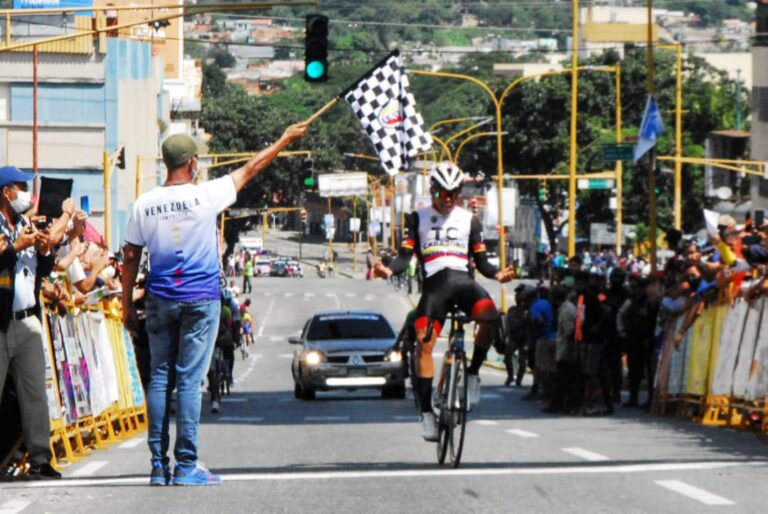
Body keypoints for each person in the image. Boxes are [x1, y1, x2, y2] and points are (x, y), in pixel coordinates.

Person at [121, 122, 306, 486]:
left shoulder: (145, 204)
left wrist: (127, 304)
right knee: (189, 381)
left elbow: (129, 256)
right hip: (201, 298)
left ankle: (158, 467)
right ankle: (186, 465)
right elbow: (253, 167)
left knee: (159, 378)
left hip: (160, 298)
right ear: (191, 163)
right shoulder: (206, 195)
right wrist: (283, 139)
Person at [373, 162, 515, 441]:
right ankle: (426, 413)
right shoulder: (418, 218)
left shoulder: (470, 220)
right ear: (432, 190)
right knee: (424, 346)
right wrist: (389, 269)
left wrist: (498, 274)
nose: (448, 199)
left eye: (454, 193)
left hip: (464, 282)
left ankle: (473, 373)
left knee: (490, 316)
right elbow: (405, 256)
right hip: (435, 286)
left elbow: (482, 262)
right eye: (443, 193)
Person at [0, 166, 68, 480]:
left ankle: (40, 457)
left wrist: (43, 251)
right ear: (6, 192)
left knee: (34, 394)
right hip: (2, 322)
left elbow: (40, 270)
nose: (27, 193)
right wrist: (17, 247)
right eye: (21, 186)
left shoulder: (26, 223)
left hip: (28, 319)